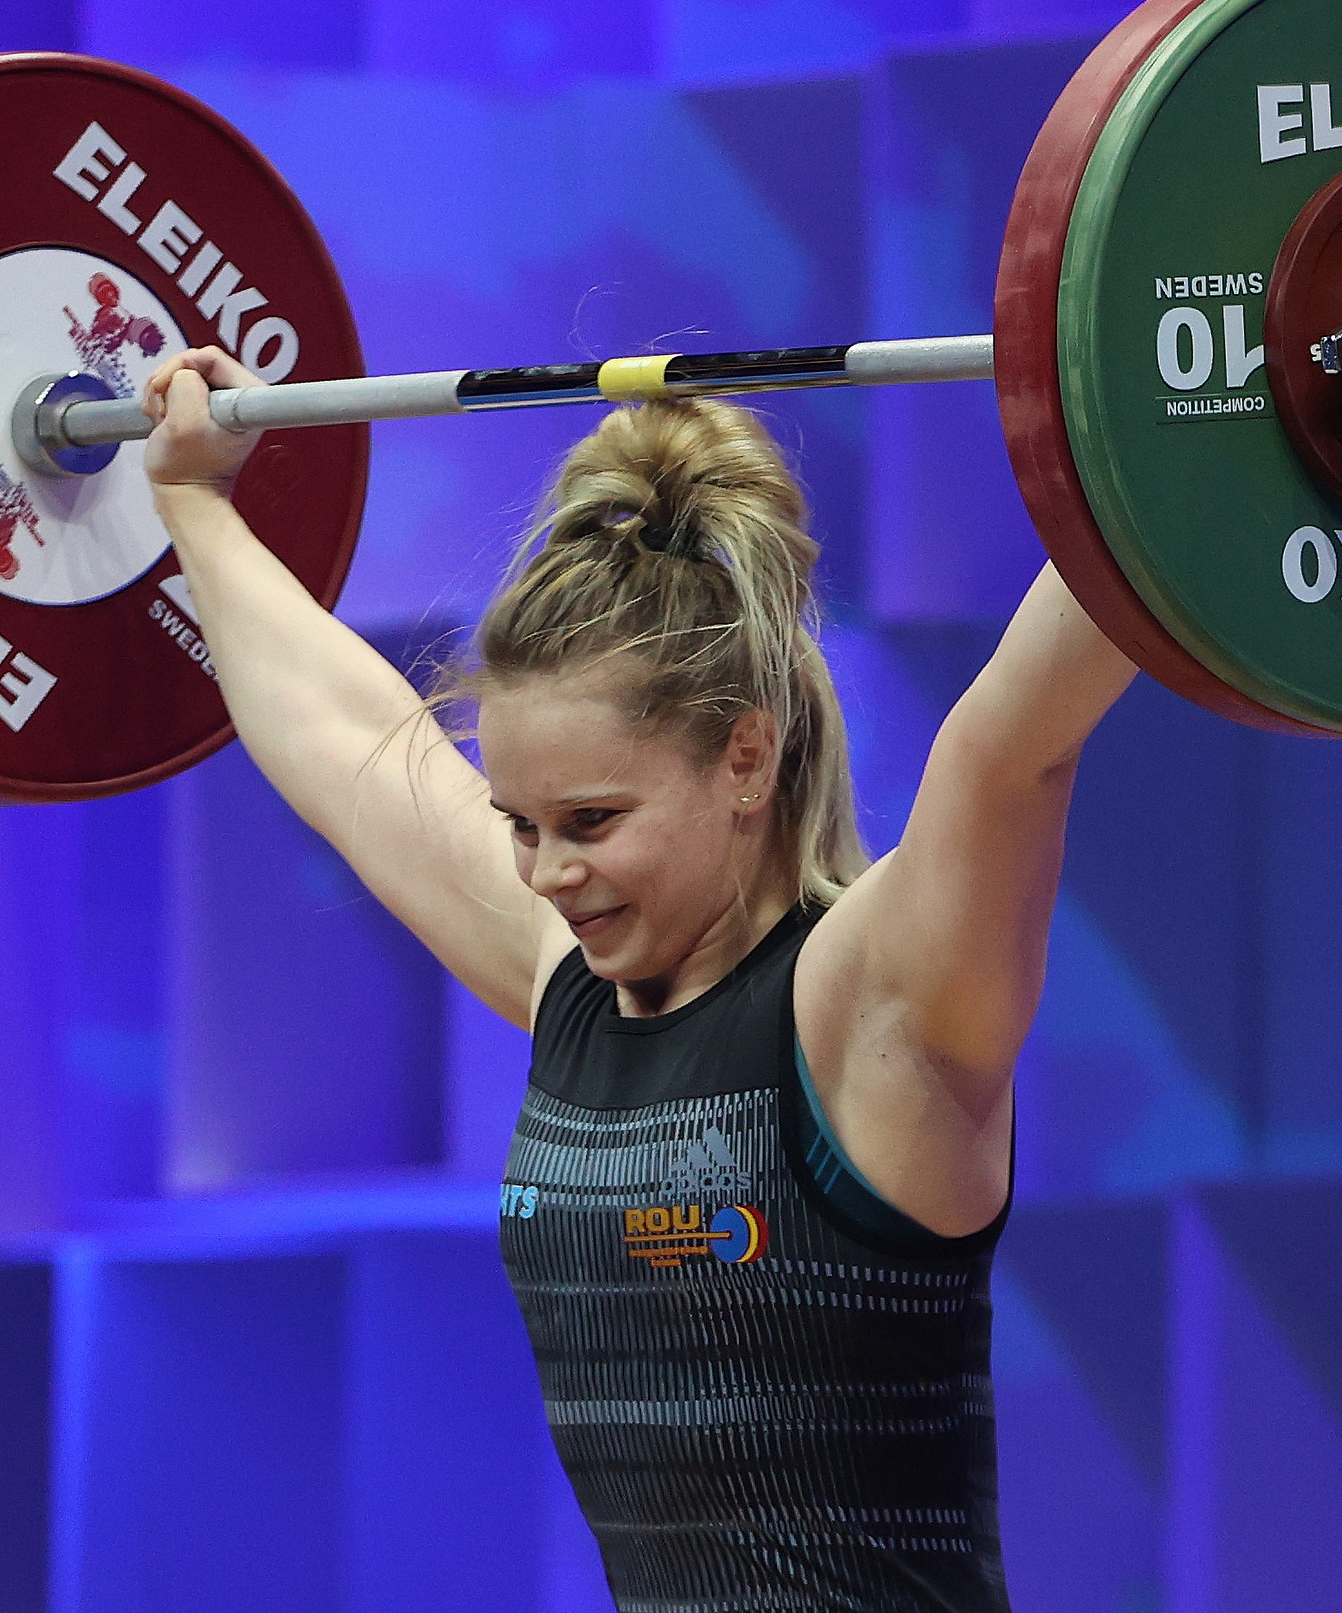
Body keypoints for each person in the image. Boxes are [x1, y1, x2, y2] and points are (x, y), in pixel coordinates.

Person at [141, 343, 1137, 1612]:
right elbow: (343, 740)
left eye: (593, 820)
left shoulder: (870, 1006)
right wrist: (192, 502)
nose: (548, 871)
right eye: (519, 823)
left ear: (744, 757)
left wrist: (1189, 409)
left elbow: (1013, 743)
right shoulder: (568, 977)